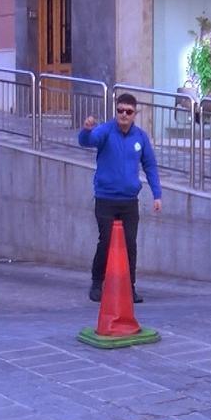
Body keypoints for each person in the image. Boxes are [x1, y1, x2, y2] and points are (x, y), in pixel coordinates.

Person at [79, 93, 163, 303]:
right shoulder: (106, 131)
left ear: (135, 114)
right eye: (120, 110)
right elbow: (88, 141)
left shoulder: (140, 137)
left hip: (129, 201)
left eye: (128, 111)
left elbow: (150, 165)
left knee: (130, 245)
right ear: (116, 111)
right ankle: (97, 283)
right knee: (105, 241)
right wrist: (86, 130)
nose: (124, 115)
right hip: (106, 199)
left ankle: (129, 287)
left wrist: (157, 194)